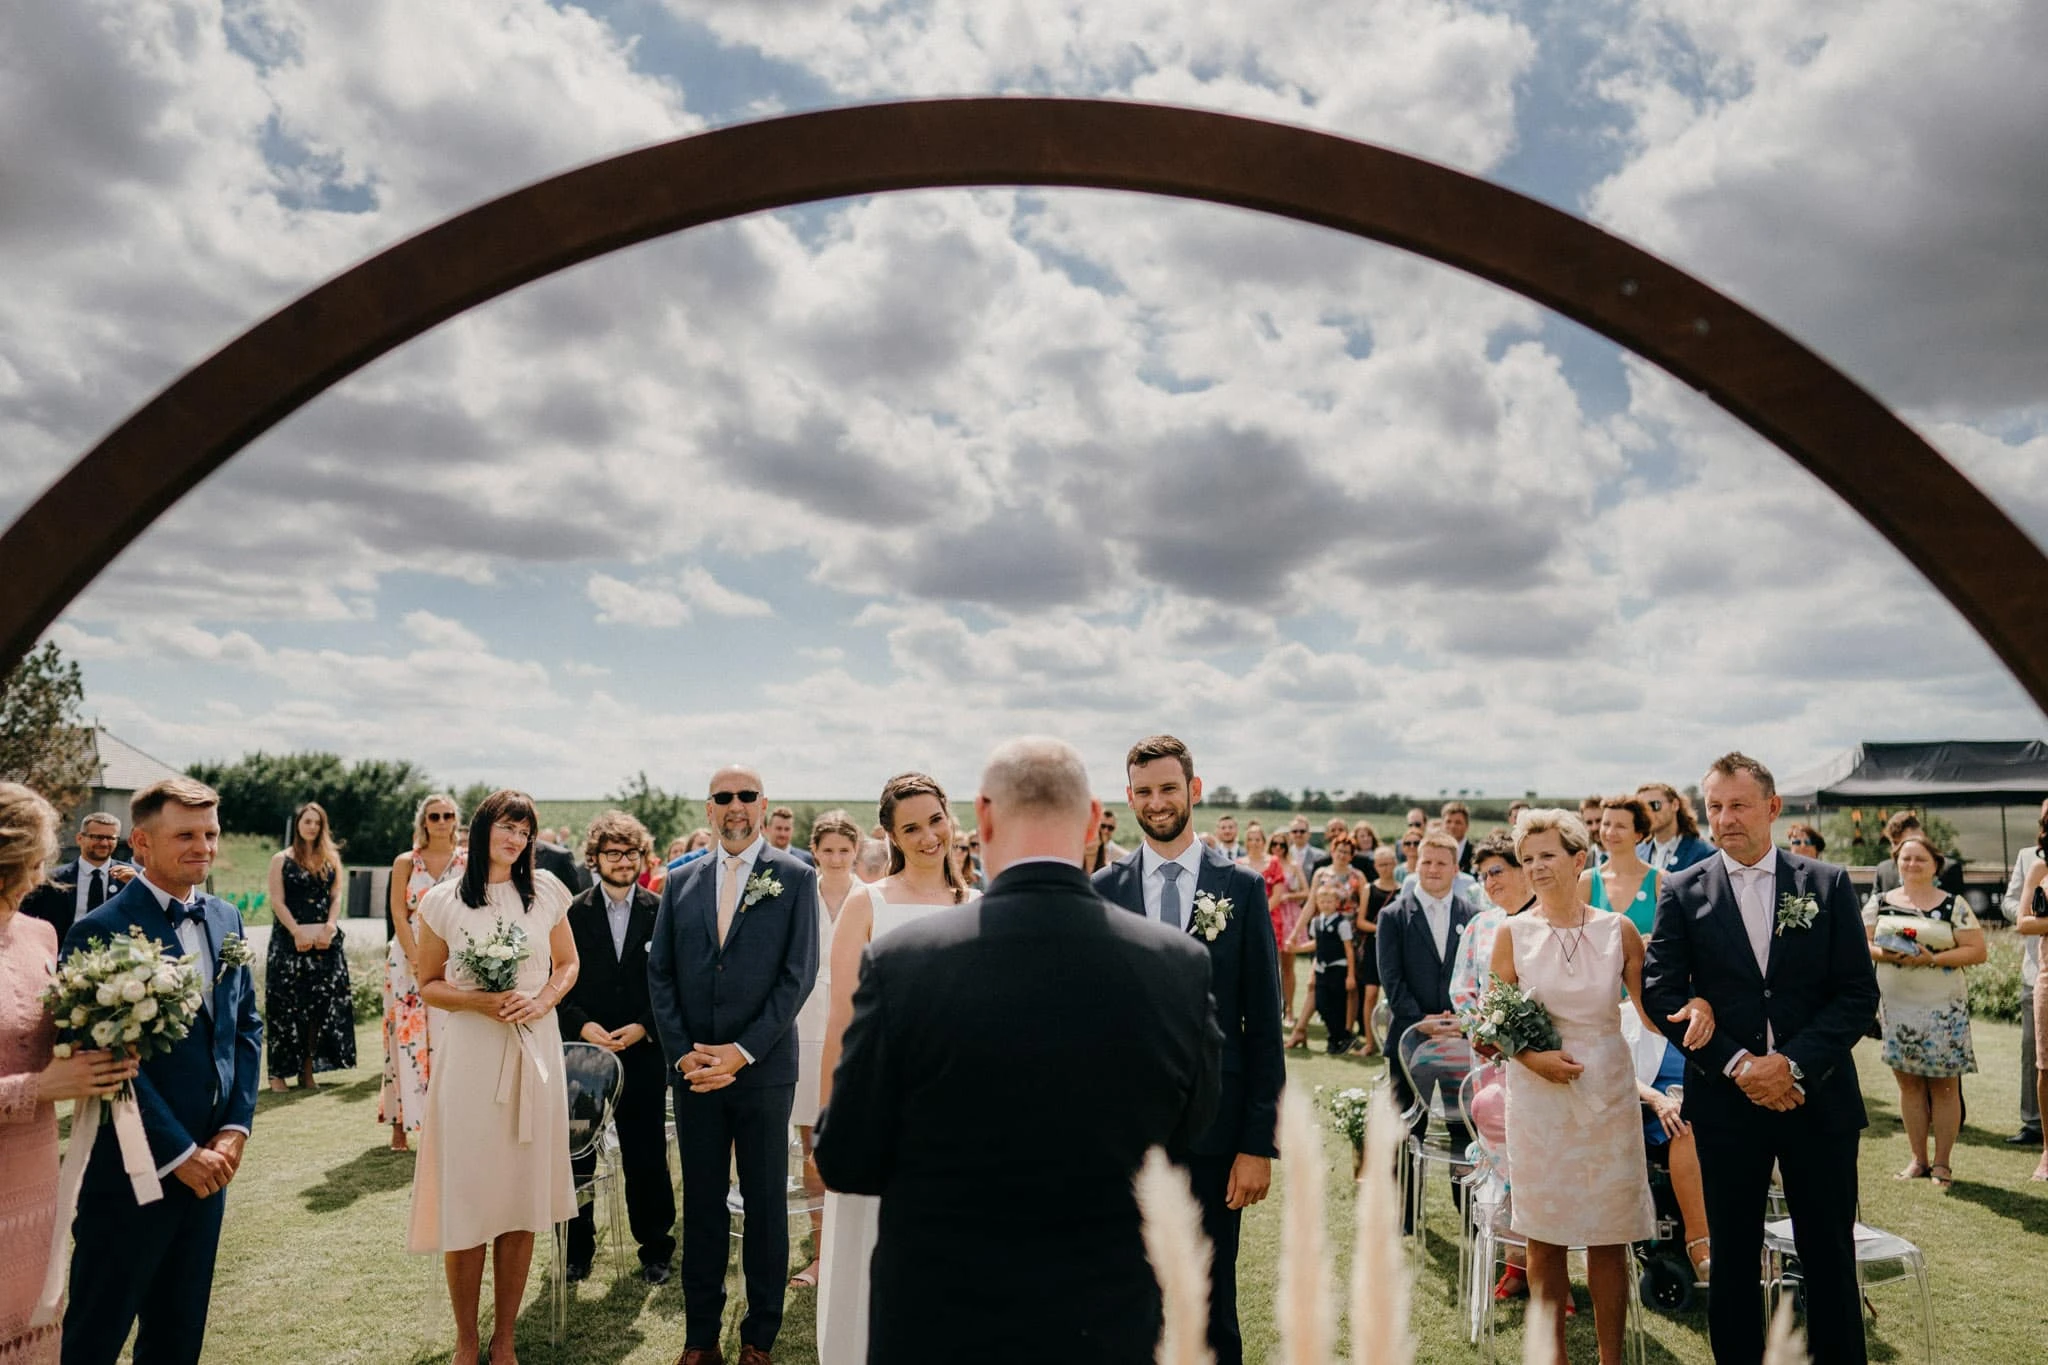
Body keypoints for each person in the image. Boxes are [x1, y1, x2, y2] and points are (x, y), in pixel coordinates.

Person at [814, 736, 1220, 1364]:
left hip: (942, 1321)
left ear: (980, 816)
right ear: (1093, 817)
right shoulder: (1178, 967)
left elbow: (846, 1157)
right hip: (1102, 1320)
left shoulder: (903, 965)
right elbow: (1192, 1128)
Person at [1643, 753, 1880, 1365]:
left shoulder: (1825, 884)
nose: (1724, 819)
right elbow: (1661, 989)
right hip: (1726, 1107)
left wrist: (1790, 1065)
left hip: (1817, 1100)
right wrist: (1740, 1066)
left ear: (1773, 808)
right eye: (1714, 806)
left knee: (1828, 1256)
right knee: (1733, 1258)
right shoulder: (1683, 889)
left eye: (1738, 805)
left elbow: (1857, 994)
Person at [61, 777, 263, 1365]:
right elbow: (102, 1059)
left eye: (211, 833)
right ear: (142, 843)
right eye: (186, 835)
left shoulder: (226, 918)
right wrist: (180, 1153)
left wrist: (235, 1128)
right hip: (131, 1175)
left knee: (178, 1339)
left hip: (212, 1170)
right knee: (95, 1336)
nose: (203, 846)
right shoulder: (99, 930)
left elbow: (244, 1027)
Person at [1095, 735, 1281, 1365]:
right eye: (1144, 791)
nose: (1157, 801)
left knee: (1209, 1298)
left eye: (1168, 788)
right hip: (1126, 1135)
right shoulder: (1102, 889)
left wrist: (1257, 1143)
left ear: (1194, 790)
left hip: (1217, 1131)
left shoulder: (1244, 888)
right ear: (1129, 798)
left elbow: (1264, 1026)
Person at [650, 766, 819, 1365]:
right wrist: (685, 1053)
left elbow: (797, 976)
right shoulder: (680, 882)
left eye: (747, 796)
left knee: (766, 1204)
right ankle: (701, 1338)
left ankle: (759, 1337)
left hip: (764, 1070)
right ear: (709, 809)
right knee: (701, 1203)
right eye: (724, 798)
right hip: (694, 1071)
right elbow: (662, 974)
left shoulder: (796, 877)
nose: (736, 806)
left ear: (763, 803)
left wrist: (741, 1052)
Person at [407, 789, 579, 1365]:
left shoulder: (548, 891)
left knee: (519, 1199)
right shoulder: (441, 901)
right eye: (507, 827)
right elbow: (428, 982)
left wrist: (544, 999)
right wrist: (478, 1002)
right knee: (470, 1197)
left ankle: (504, 1337)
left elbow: (568, 963)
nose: (516, 839)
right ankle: (466, 1338)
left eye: (525, 831)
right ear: (481, 831)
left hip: (535, 1048)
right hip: (472, 1056)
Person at [814, 775, 978, 1364]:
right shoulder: (868, 903)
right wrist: (832, 1123)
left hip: (957, 1116)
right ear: (891, 836)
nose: (929, 835)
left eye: (935, 820)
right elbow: (840, 1021)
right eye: (912, 827)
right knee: (871, 1252)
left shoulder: (978, 907)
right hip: (878, 1106)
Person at [1488, 810, 1661, 1365]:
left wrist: (1705, 1010)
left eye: (1548, 856)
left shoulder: (1619, 930)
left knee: (1610, 1236)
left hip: (1607, 1095)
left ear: (1578, 859)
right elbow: (1490, 1028)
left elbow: (1653, 1015)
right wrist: (1535, 1060)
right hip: (1539, 1102)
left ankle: (1613, 1359)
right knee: (1544, 1233)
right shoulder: (1512, 933)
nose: (1536, 867)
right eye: (1528, 857)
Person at [1, 783, 138, 1365]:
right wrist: (38, 1089)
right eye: (37, 856)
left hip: (32, 1180)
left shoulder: (39, 933)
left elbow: (48, 1038)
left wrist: (115, 1024)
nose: (42, 870)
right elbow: (38, 1077)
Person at [557, 810, 674, 1284]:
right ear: (595, 858)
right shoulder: (573, 913)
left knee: (646, 1153)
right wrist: (585, 1028)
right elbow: (558, 982)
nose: (623, 861)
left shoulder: (662, 911)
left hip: (643, 1052)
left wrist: (645, 1028)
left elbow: (673, 983)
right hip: (584, 1054)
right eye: (613, 853)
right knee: (577, 1153)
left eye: (631, 853)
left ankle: (655, 1250)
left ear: (642, 857)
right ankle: (576, 1250)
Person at [1866, 833, 1987, 1189]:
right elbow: (1863, 942)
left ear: (1936, 865)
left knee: (1945, 1087)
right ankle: (1917, 1159)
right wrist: (1883, 954)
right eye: (1905, 858)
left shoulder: (1954, 905)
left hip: (1942, 1009)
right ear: (1895, 862)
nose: (1911, 865)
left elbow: (1977, 951)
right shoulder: (1880, 902)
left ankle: (1943, 1164)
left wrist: (1933, 959)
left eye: (1920, 859)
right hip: (1897, 1007)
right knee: (1909, 1085)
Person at [1376, 830, 1478, 1227]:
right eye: (1426, 862)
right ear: (1415, 865)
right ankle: (1404, 1215)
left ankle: (1469, 1214)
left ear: (1456, 868)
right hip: (1410, 1039)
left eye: (1441, 863)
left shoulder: (1471, 915)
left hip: (1459, 1039)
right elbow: (1391, 978)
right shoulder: (1394, 916)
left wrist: (1458, 1020)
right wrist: (1422, 1020)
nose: (1433, 870)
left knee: (1463, 1126)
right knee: (1406, 1125)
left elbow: (1474, 975)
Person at [790, 809, 861, 1291]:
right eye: (827, 849)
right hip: (802, 1028)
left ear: (856, 851)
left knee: (853, 1141)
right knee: (812, 1146)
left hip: (854, 1030)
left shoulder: (870, 896)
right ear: (814, 850)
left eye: (844, 849)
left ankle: (854, 1247)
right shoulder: (798, 897)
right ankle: (819, 1252)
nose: (836, 859)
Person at [384, 794, 464, 1152]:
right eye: (435, 816)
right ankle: (401, 1123)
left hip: (454, 957)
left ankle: (449, 1120)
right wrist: (416, 959)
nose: (442, 821)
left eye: (448, 815)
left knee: (449, 1038)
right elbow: (398, 913)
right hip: (407, 957)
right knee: (406, 1039)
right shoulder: (406, 861)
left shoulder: (467, 862)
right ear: (424, 821)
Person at [263, 802, 355, 1091]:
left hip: (325, 944)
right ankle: (277, 1074)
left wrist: (330, 927)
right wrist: (295, 933)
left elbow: (336, 896)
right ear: (299, 823)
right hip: (289, 944)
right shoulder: (281, 859)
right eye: (307, 821)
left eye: (317, 822)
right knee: (285, 1008)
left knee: (319, 1009)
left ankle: (307, 1072)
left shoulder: (331, 858)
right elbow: (277, 900)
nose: (312, 826)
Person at [2002, 800, 2048, 1149]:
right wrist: (2026, 908)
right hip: (2038, 967)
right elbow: (2012, 902)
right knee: (2034, 1049)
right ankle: (2033, 1123)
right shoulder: (2028, 857)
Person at [1450, 832, 1534, 1015]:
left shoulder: (1550, 921)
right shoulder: (1479, 925)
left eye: (1496, 872)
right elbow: (1461, 990)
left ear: (1522, 870)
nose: (1489, 883)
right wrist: (1483, 1029)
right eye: (1483, 877)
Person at [20, 811, 135, 943]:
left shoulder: (132, 877)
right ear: (79, 838)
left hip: (114, 957)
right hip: (63, 953)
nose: (104, 843)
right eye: (97, 837)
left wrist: (139, 885)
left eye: (110, 838)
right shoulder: (51, 879)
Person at [2016, 810, 2048, 1178]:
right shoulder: (2041, 868)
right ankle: (2047, 1151)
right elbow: (2024, 922)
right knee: (2047, 1066)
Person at [1289, 878, 1355, 1053]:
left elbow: (1349, 950)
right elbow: (1317, 944)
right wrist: (1296, 949)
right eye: (1322, 901)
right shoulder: (1316, 923)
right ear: (1317, 903)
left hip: (1338, 968)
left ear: (1336, 903)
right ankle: (1341, 1034)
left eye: (1329, 901)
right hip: (1321, 969)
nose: (1326, 905)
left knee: (1337, 1005)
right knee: (1321, 1003)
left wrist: (1350, 975)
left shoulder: (1342, 923)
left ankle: (1335, 1040)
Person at [1582, 796, 1660, 936]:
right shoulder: (1586, 881)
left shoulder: (1660, 881)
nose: (1610, 832)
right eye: (1606, 824)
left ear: (1638, 835)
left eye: (1620, 826)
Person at [1350, 844, 1402, 1054]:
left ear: (1395, 864)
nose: (1385, 868)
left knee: (1394, 997)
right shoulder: (1368, 889)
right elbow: (1360, 921)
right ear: (1375, 865)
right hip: (1374, 947)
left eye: (1388, 863)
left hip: (1396, 948)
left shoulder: (1402, 889)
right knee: (1370, 994)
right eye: (1381, 864)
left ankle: (1393, 1042)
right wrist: (1382, 928)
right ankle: (1370, 1042)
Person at [1262, 832, 1308, 1026]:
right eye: (1275, 844)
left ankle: (1289, 1010)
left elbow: (1306, 891)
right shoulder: (1266, 863)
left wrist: (1288, 897)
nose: (1278, 848)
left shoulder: (1293, 866)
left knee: (1288, 966)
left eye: (1282, 845)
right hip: (1269, 913)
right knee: (1268, 965)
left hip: (1288, 916)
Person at [1635, 783, 1714, 873]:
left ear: (1675, 805)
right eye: (1642, 808)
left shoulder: (1704, 854)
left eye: (1654, 805)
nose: (1648, 813)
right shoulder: (1636, 853)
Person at [1084, 810, 1126, 874]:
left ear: (1115, 828)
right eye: (1103, 826)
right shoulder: (1086, 849)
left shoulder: (1121, 855)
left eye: (1110, 828)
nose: (1106, 831)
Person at [1441, 800, 1475, 873]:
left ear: (1467, 826)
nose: (1452, 826)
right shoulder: (1435, 851)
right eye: (1448, 821)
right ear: (1442, 825)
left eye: (1458, 822)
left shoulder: (1475, 852)